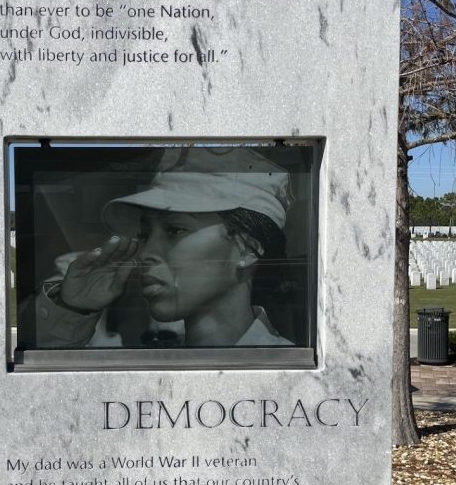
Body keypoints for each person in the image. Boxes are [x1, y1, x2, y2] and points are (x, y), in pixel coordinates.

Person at [35, 147, 294, 348]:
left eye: (175, 230)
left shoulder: (293, 375)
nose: (146, 253)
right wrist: (74, 311)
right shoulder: (151, 361)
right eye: (145, 235)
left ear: (247, 248)